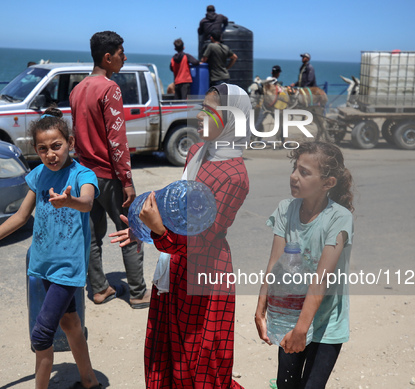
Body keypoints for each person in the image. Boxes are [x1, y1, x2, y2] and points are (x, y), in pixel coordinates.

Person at [110, 84, 251, 388]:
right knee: (166, 351)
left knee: (198, 361)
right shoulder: (198, 151)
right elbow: (174, 207)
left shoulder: (234, 176)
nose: (199, 115)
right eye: (202, 107)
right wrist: (142, 228)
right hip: (176, 264)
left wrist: (159, 231)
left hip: (204, 275)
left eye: (210, 111)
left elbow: (203, 239)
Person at [0, 108, 102, 389]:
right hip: (42, 265)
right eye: (43, 148)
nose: (51, 154)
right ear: (36, 150)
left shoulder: (83, 174)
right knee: (70, 324)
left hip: (66, 268)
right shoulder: (38, 175)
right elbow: (20, 217)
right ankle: (91, 383)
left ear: (70, 143)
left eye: (57, 146)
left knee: (41, 336)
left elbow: (87, 202)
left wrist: (69, 202)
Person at [255, 141, 354, 388]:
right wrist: (260, 308)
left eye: (304, 172)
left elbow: (321, 280)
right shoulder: (285, 209)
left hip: (326, 324)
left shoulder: (340, 218)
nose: (294, 177)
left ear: (328, 183)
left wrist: (302, 330)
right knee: (285, 384)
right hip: (290, 317)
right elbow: (274, 264)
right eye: (295, 168)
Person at [70, 31, 150, 309]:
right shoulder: (110, 88)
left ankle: (99, 289)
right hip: (109, 176)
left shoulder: (77, 90)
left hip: (84, 175)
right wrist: (127, 180)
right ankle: (139, 293)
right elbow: (117, 141)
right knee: (130, 231)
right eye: (120, 53)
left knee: (91, 235)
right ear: (107, 57)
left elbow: (77, 136)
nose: (124, 58)